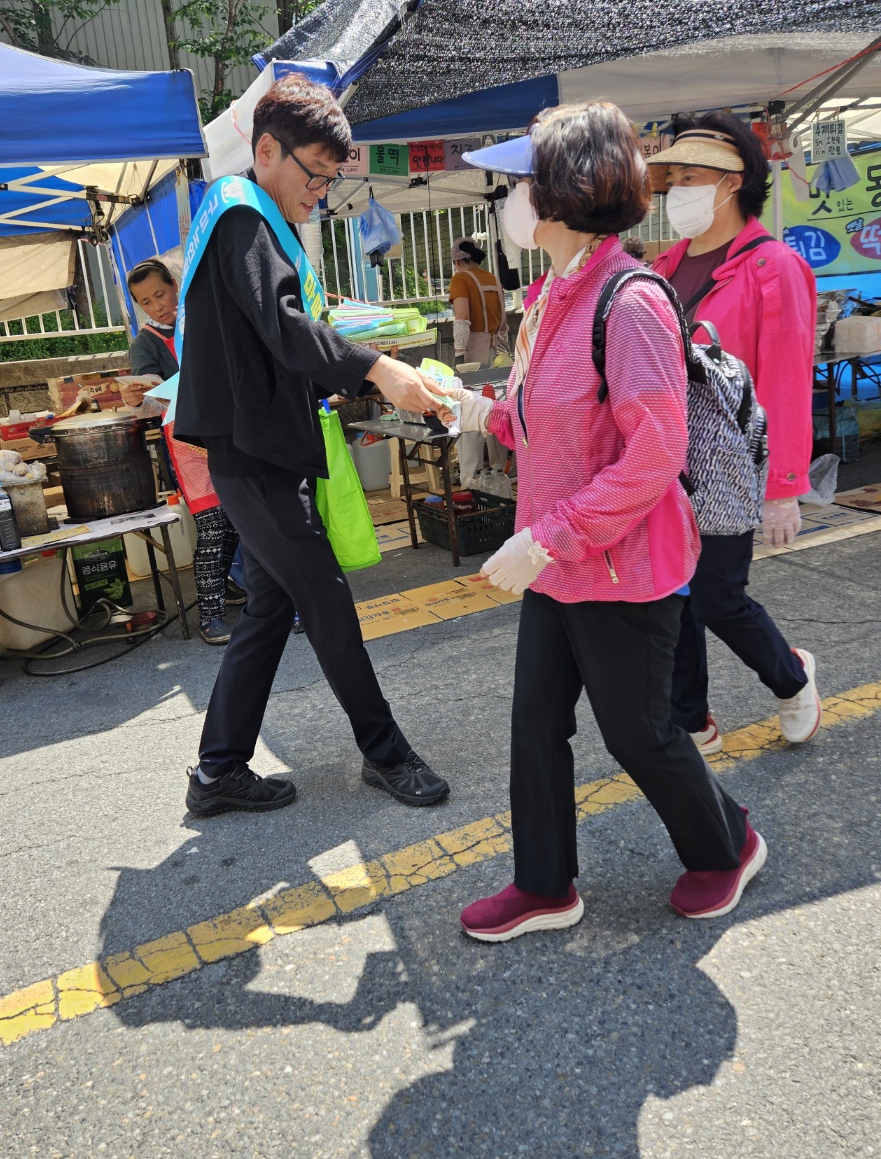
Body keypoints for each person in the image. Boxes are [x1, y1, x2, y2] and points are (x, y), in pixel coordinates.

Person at [452, 101, 764, 942]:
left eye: (522, 181)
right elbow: (544, 421)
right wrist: (476, 413)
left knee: (640, 733)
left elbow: (653, 455)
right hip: (555, 560)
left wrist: (548, 536)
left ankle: (728, 844)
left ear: (564, 190)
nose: (511, 197)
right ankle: (545, 885)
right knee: (535, 727)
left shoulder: (628, 303)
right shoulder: (554, 293)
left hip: (619, 563)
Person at [174, 73, 451, 816]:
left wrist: (347, 367)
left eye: (330, 181)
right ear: (267, 150)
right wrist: (377, 368)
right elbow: (287, 326)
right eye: (315, 175)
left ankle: (217, 770)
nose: (320, 194)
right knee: (325, 599)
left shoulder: (251, 217)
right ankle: (386, 753)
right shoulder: (242, 219)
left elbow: (275, 338)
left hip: (262, 447)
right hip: (254, 457)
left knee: (269, 609)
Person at [646, 115, 821, 753]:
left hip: (730, 463)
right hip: (666, 460)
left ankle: (792, 676)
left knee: (718, 597)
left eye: (691, 179)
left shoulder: (773, 266)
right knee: (674, 596)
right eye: (673, 181)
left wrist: (782, 487)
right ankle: (691, 717)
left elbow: (785, 380)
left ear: (733, 183)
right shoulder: (664, 264)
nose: (677, 193)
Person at [120, 259, 243, 645]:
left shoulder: (201, 321)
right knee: (212, 525)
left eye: (160, 294)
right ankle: (210, 615)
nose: (158, 306)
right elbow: (148, 397)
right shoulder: (145, 344)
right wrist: (137, 397)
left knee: (238, 520)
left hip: (227, 433)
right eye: (146, 302)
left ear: (175, 285)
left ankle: (224, 588)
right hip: (188, 444)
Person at [448, 238, 510, 485]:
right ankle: (500, 471)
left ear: (458, 261)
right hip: (499, 352)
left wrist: (459, 353)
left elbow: (462, 317)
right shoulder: (493, 279)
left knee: (469, 411)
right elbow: (504, 322)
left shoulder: (460, 279)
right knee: (498, 410)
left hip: (474, 353)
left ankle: (469, 477)